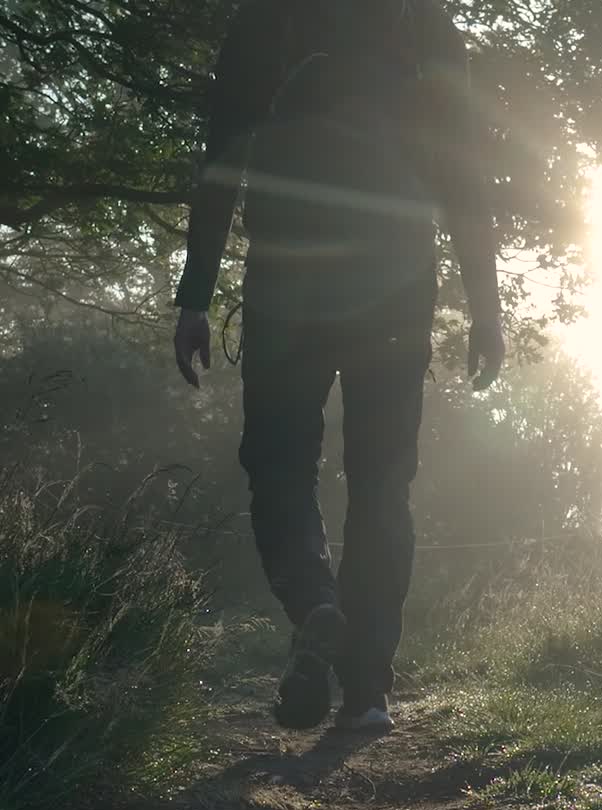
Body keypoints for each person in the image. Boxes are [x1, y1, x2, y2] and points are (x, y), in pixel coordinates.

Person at [174, 0, 504, 733]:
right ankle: (367, 693)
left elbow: (223, 158)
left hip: (288, 282)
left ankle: (316, 604)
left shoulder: (263, 21)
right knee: (382, 483)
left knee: (280, 465)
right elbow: (463, 173)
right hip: (395, 282)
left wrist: (196, 295)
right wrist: (486, 307)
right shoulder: (424, 23)